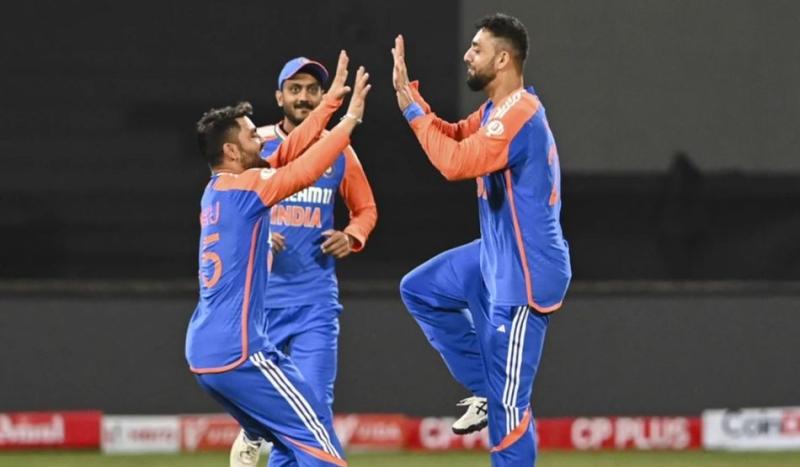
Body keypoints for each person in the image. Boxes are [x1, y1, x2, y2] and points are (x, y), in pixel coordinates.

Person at [392, 13, 571, 466]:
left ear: (503, 58)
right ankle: (486, 385)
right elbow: (453, 135)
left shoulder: (519, 114)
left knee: (509, 409)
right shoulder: (496, 111)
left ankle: (496, 394)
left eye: (477, 48)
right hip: (495, 256)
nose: (467, 55)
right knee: (421, 290)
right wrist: (415, 101)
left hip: (524, 272)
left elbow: (454, 163)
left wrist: (412, 112)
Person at [186, 51, 371, 467]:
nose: (263, 140)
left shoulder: (218, 191)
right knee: (320, 439)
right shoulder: (249, 188)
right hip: (242, 350)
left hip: (204, 352)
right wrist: (350, 119)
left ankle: (254, 432)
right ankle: (257, 432)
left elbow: (287, 155)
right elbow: (302, 170)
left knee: (291, 440)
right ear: (232, 151)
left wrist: (329, 104)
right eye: (253, 136)